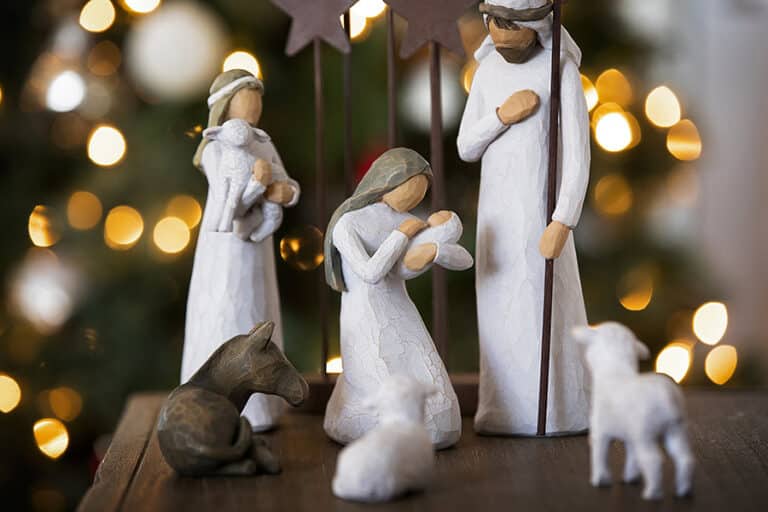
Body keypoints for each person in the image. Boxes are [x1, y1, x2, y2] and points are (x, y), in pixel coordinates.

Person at [457, 0, 591, 435]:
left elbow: (577, 155)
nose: (500, 34)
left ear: (541, 25)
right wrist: (502, 116)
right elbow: (466, 146)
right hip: (496, 218)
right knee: (499, 312)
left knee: (538, 308)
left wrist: (563, 219)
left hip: (540, 216)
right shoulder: (487, 73)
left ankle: (553, 410)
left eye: (511, 25)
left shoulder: (560, 71)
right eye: (494, 23)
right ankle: (502, 408)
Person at [323, 148, 472, 449]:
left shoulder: (407, 220)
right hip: (366, 317)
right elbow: (371, 272)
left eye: (422, 193)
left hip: (401, 311)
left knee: (434, 387)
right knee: (379, 379)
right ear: (387, 181)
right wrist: (402, 235)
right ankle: (369, 420)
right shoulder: (348, 224)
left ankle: (425, 420)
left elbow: (458, 261)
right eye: (411, 189)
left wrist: (436, 247)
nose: (415, 199)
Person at [182, 69, 300, 431]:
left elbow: (288, 182)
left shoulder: (262, 143)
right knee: (224, 306)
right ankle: (215, 399)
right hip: (225, 245)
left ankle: (261, 406)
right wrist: (260, 186)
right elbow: (228, 202)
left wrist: (285, 192)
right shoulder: (216, 150)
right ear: (226, 107)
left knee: (257, 307)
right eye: (246, 101)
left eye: (256, 102)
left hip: (258, 245)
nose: (254, 109)